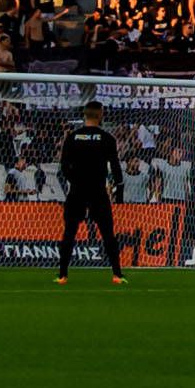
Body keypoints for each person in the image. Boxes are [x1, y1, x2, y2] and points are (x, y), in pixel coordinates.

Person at [54, 99, 125, 279]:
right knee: (108, 233)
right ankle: (117, 274)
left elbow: (63, 166)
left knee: (69, 232)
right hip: (98, 191)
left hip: (77, 190)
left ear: (84, 115)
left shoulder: (72, 137)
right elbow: (115, 166)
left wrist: (75, 180)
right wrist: (119, 190)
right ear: (100, 115)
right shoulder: (107, 139)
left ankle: (62, 275)